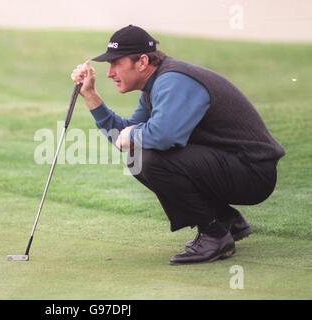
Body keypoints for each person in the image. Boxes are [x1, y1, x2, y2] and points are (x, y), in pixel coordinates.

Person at [70, 25, 285, 265]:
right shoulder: (156, 86)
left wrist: (133, 135)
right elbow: (125, 137)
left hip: (253, 172)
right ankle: (226, 220)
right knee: (138, 155)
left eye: (116, 64)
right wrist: (90, 95)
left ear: (141, 62)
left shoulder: (173, 80)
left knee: (149, 157)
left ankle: (214, 236)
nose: (110, 73)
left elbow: (163, 136)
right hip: (232, 164)